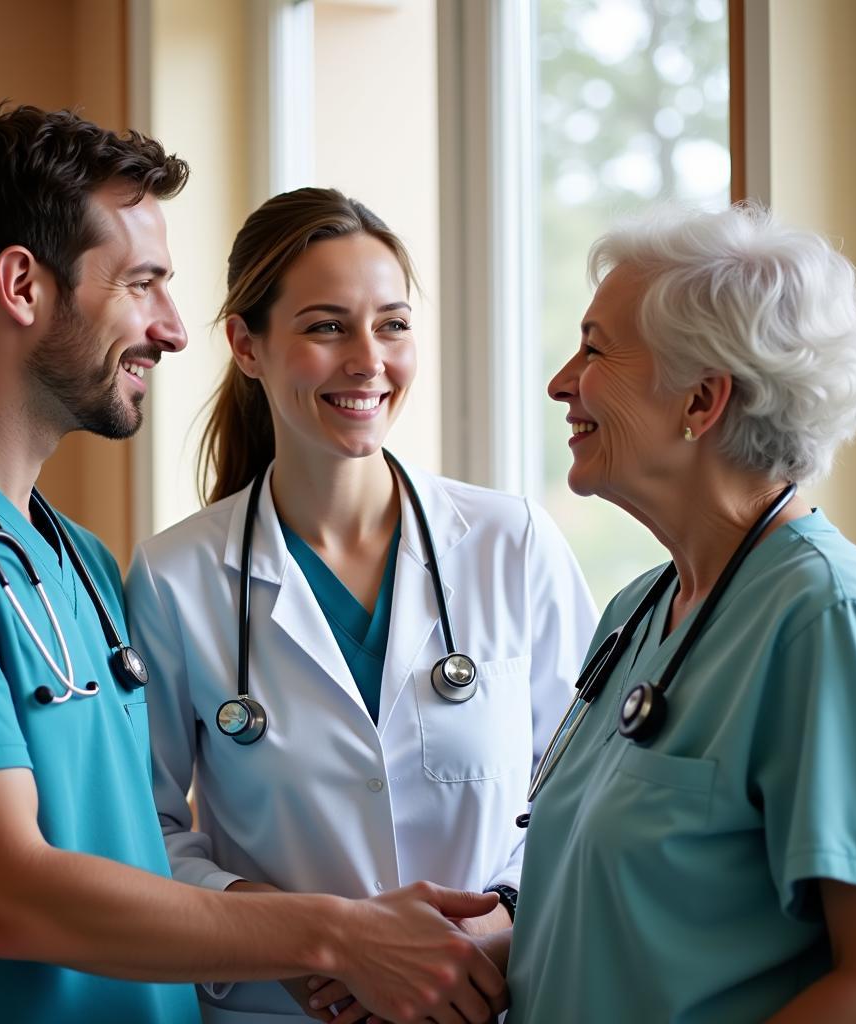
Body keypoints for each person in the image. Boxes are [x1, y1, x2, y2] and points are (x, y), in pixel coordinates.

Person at [0, 108, 512, 1024]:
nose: (172, 329)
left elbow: (135, 845)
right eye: (143, 284)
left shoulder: (75, 557)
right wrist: (339, 937)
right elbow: (10, 894)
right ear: (21, 285)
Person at [125, 186, 598, 1024]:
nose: (367, 359)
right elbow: (144, 835)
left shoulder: (510, 543)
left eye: (392, 323)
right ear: (246, 344)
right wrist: (313, 945)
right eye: (324, 325)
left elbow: (589, 794)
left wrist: (493, 929)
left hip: (493, 998)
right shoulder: (176, 577)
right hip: (284, 1008)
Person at [500, 203, 856, 1022]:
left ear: (701, 401)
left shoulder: (826, 620)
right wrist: (485, 947)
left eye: (595, 350)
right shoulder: (637, 612)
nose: (561, 381)